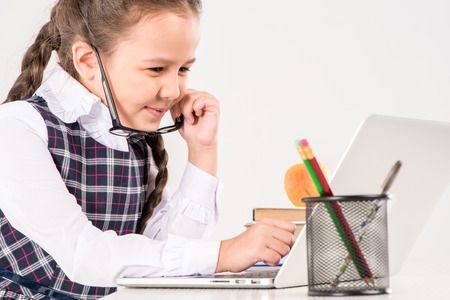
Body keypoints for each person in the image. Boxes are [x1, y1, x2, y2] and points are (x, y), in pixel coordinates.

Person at [0, 0, 296, 299]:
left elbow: (164, 256)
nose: (173, 91)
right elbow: (83, 255)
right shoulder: (17, 127)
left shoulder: (130, 139)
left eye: (183, 69)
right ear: (88, 61)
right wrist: (224, 253)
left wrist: (202, 149)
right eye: (156, 68)